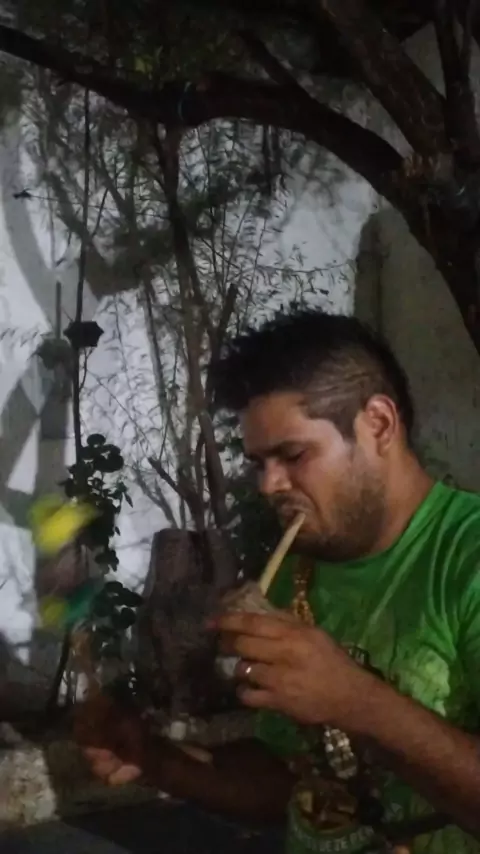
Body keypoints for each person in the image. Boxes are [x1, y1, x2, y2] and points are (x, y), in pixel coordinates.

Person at [80, 309, 480, 854]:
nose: (269, 485)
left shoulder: (465, 558)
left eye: (293, 455)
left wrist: (356, 701)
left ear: (379, 425)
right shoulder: (299, 572)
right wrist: (154, 759)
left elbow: (351, 705)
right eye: (258, 463)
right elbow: (295, 783)